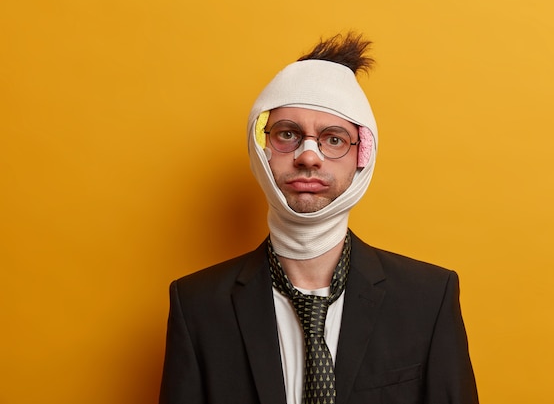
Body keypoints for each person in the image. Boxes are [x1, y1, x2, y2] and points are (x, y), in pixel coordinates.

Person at [159, 32, 479, 404]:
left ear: (363, 155)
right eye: (287, 134)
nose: (308, 157)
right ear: (260, 148)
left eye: (333, 139)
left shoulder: (427, 299)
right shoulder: (197, 306)